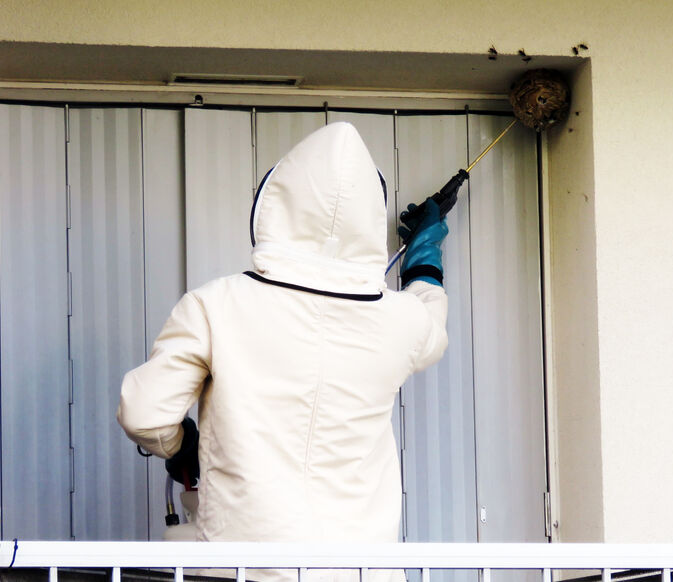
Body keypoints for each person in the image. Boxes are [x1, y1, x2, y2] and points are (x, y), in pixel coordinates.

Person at [117, 122, 449, 581]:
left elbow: (144, 415)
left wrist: (182, 447)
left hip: (243, 567)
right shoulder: (401, 321)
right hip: (357, 571)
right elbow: (429, 313)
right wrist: (425, 256)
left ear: (274, 201)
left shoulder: (215, 305)